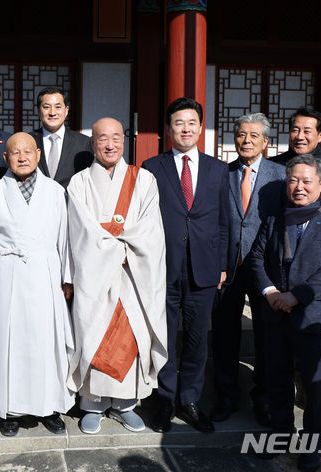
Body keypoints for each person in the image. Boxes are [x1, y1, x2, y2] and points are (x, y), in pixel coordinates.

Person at [0, 132, 75, 437]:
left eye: (27, 151)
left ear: (38, 154)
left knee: (44, 341)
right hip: (5, 276)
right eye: (14, 152)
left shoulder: (54, 191)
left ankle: (48, 405)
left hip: (44, 274)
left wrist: (66, 277)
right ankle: (7, 408)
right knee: (6, 342)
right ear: (5, 158)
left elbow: (63, 237)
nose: (22, 157)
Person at [246, 154, 321, 471]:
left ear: (320, 184)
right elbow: (256, 260)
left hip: (314, 318)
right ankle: (281, 435)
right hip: (277, 315)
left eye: (306, 181)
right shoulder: (274, 220)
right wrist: (271, 292)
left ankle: (312, 445)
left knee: (315, 387)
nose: (299, 187)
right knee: (277, 380)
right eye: (293, 180)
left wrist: (297, 296)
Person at [67, 117, 168, 435]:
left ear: (124, 141)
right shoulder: (79, 182)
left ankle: (125, 404)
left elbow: (151, 227)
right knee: (95, 332)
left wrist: (119, 244)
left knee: (131, 334)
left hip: (133, 273)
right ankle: (93, 404)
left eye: (115, 137)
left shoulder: (145, 180)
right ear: (92, 143)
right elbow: (80, 230)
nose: (109, 144)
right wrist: (117, 242)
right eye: (102, 138)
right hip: (95, 276)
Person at [142, 97, 229, 433]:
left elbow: (225, 222)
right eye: (179, 123)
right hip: (164, 267)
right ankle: (164, 400)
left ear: (201, 127)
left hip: (204, 269)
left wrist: (222, 264)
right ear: (168, 129)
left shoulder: (217, 169)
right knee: (164, 338)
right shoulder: (152, 167)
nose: (186, 129)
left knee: (196, 339)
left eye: (192, 122)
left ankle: (190, 400)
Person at [210, 113, 286, 426]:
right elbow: (213, 221)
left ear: (266, 142)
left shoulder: (281, 175)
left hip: (264, 268)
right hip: (228, 267)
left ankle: (263, 399)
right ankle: (227, 397)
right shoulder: (221, 173)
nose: (246, 141)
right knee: (225, 335)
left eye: (254, 136)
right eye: (241, 134)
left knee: (268, 334)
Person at [271, 107, 321, 218]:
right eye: (295, 130)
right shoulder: (273, 164)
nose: (300, 137)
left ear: (320, 135)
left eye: (307, 131)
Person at [29, 86, 94, 188]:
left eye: (58, 107)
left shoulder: (83, 142)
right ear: (38, 111)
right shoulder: (29, 140)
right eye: (46, 107)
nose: (52, 113)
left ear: (66, 110)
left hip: (69, 202)